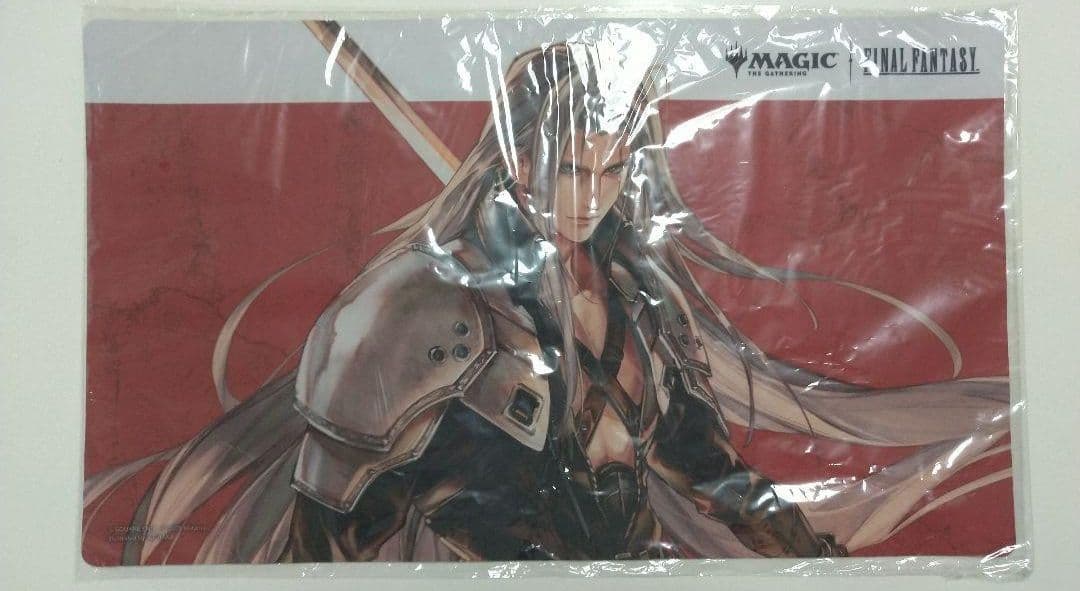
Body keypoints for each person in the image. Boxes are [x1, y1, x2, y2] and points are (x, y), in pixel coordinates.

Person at [84, 39, 1009, 565]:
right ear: (518, 157)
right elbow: (328, 537)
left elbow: (701, 461)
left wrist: (805, 553)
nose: (591, 198)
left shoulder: (639, 294)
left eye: (611, 171)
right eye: (570, 169)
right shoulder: (414, 313)